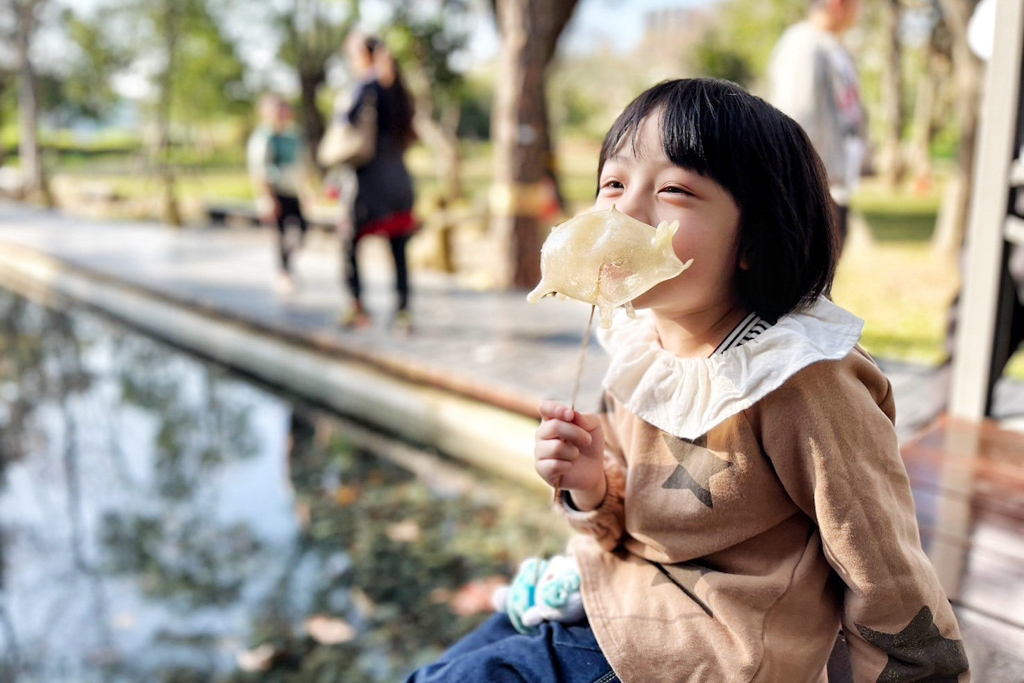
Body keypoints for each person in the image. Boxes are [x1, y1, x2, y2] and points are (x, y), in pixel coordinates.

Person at [404, 79, 968, 682]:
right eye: (613, 184)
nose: (623, 210)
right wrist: (593, 485)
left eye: (672, 189)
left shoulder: (801, 380)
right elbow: (623, 520)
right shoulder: (640, 341)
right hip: (614, 596)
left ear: (753, 239)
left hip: (707, 649)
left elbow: (882, 567)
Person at [335, 30, 418, 332]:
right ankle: (403, 309)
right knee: (398, 247)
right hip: (398, 180)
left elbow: (344, 124)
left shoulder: (365, 86)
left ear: (362, 55)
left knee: (348, 241)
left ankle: (357, 307)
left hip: (366, 184)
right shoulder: (400, 89)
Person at [767, 0, 866, 255]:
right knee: (809, 283)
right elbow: (796, 121)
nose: (862, 8)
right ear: (837, 4)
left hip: (833, 187)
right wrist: (805, 186)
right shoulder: (804, 49)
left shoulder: (833, 47)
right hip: (812, 191)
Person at [247, 93, 313, 295]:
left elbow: (301, 165)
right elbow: (259, 170)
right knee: (281, 236)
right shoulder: (264, 138)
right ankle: (284, 273)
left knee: (301, 231)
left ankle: (287, 269)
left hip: (291, 190)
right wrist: (266, 198)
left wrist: (307, 192)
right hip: (275, 191)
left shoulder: (293, 136)